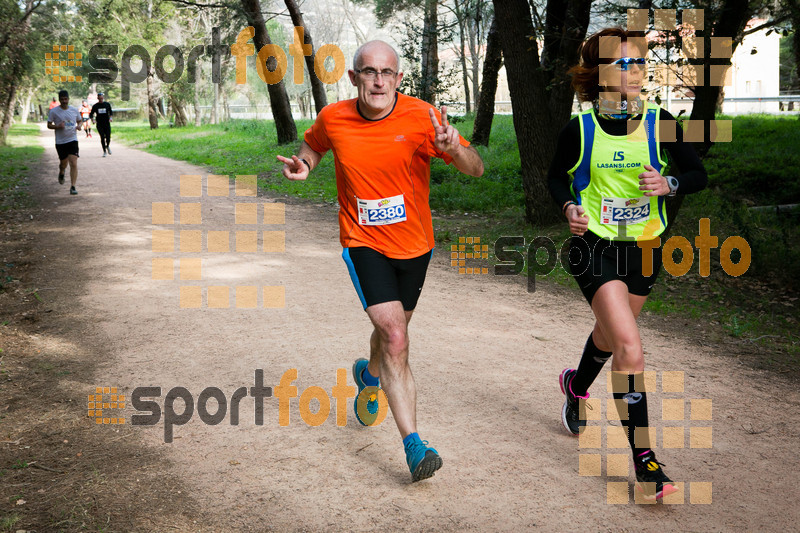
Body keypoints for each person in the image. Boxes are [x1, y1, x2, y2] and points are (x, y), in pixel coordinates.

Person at [277, 40, 484, 482]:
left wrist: (453, 148)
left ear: (398, 79)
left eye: (386, 72)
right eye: (368, 71)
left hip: (416, 246)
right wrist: (305, 166)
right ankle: (414, 445)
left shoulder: (423, 117)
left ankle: (368, 375)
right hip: (363, 241)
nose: (377, 80)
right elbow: (314, 147)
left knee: (393, 335)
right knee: (394, 335)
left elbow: (476, 168)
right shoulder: (334, 118)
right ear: (354, 78)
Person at [547, 28, 708, 501]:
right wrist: (568, 208)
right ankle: (646, 461)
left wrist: (670, 185)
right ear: (598, 74)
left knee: (609, 336)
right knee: (630, 346)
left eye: (639, 63)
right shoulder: (579, 129)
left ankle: (576, 385)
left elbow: (697, 173)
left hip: (644, 249)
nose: (634, 71)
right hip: (593, 246)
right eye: (623, 63)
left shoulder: (661, 122)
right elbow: (556, 178)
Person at [47, 90, 83, 195]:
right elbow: (49, 125)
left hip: (72, 139)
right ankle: (62, 172)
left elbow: (80, 120)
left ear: (68, 99)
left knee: (73, 162)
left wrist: (79, 126)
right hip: (60, 141)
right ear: (59, 100)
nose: (64, 101)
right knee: (64, 163)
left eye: (66, 99)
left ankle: (73, 186)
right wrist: (58, 126)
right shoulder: (53, 111)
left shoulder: (74, 110)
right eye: (62, 99)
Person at [90, 92, 113, 156]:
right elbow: (91, 114)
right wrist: (93, 120)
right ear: (97, 98)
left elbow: (110, 112)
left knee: (108, 137)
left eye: (101, 98)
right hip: (99, 124)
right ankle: (104, 151)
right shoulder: (95, 106)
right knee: (102, 137)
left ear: (103, 98)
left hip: (107, 123)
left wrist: (110, 118)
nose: (101, 99)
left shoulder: (107, 104)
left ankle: (107, 146)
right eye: (99, 98)